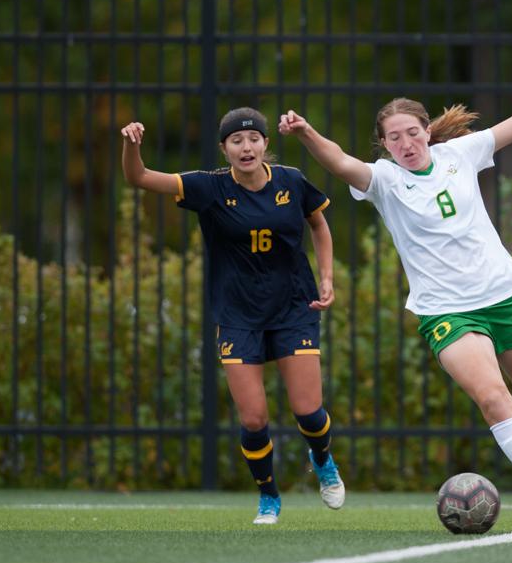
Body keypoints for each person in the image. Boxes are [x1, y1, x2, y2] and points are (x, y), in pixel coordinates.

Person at [280, 53, 512, 535]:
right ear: (385, 145)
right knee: (495, 398)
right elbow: (340, 161)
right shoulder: (384, 181)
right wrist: (306, 133)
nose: (406, 143)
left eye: (412, 132)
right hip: (447, 312)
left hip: (504, 297)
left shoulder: (462, 154)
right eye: (394, 137)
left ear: (427, 131)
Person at [121, 107, 345, 525]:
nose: (247, 147)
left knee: (308, 411)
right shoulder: (208, 188)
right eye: (236, 141)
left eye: (254, 139)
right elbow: (138, 177)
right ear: (224, 149)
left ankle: (323, 460)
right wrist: (130, 146)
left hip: (294, 307)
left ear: (266, 144)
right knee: (254, 417)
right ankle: (269, 497)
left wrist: (327, 276)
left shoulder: (291, 181)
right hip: (239, 315)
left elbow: (318, 223)